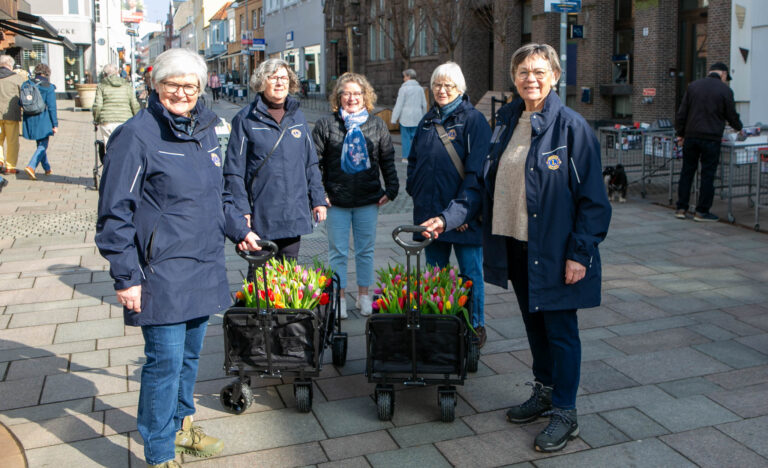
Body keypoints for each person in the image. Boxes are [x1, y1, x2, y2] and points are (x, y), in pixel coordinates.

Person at [95, 48, 260, 468]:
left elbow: (216, 197)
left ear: (201, 89)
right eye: (173, 84)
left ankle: (183, 430)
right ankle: (159, 452)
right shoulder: (136, 135)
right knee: (164, 365)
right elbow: (115, 214)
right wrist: (126, 276)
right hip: (160, 273)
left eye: (191, 85)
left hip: (203, 265)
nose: (182, 92)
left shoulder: (204, 130)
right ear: (156, 85)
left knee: (189, 361)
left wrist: (240, 231)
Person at [480, 43, 610, 452]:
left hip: (556, 249)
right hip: (517, 243)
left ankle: (566, 412)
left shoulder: (572, 128)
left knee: (561, 330)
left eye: (538, 71)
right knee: (534, 324)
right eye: (522, 72)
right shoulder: (507, 120)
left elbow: (593, 200)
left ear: (554, 76)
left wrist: (580, 252)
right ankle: (545, 390)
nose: (529, 79)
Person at [409, 62, 491, 347]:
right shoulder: (427, 121)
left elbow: (476, 174)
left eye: (448, 85)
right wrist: (416, 194)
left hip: (464, 217)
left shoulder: (473, 121)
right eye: (437, 85)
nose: (442, 90)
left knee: (470, 274)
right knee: (436, 274)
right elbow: (415, 163)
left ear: (460, 88)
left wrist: (463, 213)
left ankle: (475, 326)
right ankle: (441, 323)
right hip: (431, 215)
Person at [312, 72, 399, 318]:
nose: (352, 98)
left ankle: (363, 296)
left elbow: (387, 159)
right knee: (337, 251)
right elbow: (314, 163)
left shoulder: (377, 124)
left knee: (365, 250)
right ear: (338, 97)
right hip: (336, 201)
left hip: (367, 199)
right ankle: (338, 298)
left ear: (365, 97)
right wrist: (320, 194)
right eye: (346, 93)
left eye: (357, 93)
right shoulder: (326, 125)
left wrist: (391, 189)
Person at [224, 58, 327, 264]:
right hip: (261, 212)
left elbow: (310, 162)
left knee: (288, 274)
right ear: (262, 82)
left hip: (293, 211)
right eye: (273, 77)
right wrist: (242, 209)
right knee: (260, 278)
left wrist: (318, 199)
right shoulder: (245, 119)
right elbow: (234, 171)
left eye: (284, 78)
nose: (280, 83)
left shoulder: (297, 117)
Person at [675, 62, 743, 222]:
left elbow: (682, 113)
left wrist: (680, 134)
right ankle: (701, 211)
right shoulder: (725, 90)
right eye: (726, 78)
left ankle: (681, 208)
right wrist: (739, 128)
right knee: (707, 174)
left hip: (691, 136)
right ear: (723, 74)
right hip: (711, 138)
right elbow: (731, 115)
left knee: (687, 172)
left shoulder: (693, 87)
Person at [22, 63, 57, 180]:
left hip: (29, 117)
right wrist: (55, 124)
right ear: (47, 73)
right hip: (43, 118)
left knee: (40, 144)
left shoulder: (26, 84)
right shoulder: (49, 87)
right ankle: (31, 166)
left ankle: (47, 168)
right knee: (43, 145)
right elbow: (52, 107)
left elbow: (20, 102)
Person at [93, 63, 140, 144]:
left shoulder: (101, 86)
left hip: (107, 121)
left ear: (104, 74)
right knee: (124, 147)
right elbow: (134, 104)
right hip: (125, 121)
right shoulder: (126, 85)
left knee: (109, 148)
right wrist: (138, 119)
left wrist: (96, 120)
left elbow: (98, 105)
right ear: (117, 72)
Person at [391, 68, 427, 163]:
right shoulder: (420, 89)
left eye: (404, 76)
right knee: (416, 138)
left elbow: (399, 105)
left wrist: (394, 118)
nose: (403, 79)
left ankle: (405, 157)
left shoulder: (403, 89)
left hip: (405, 117)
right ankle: (416, 156)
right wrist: (425, 116)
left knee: (405, 138)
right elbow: (424, 104)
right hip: (417, 117)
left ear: (408, 76)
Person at [0, 55, 24, 175]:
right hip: (11, 115)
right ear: (10, 65)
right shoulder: (17, 78)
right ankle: (10, 166)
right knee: (12, 141)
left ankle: (0, 161)